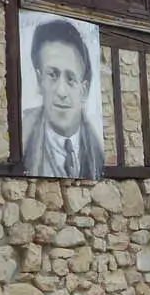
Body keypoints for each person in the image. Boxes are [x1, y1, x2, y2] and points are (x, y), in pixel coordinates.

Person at [21, 19, 103, 179]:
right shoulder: (23, 141)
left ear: (84, 90)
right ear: (39, 81)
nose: (61, 92)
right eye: (52, 75)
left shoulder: (97, 147)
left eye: (71, 78)